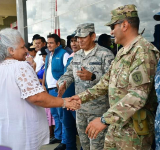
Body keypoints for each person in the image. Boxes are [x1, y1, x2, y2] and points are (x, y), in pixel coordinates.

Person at [71, 4, 160, 150]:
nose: (111, 32)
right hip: (116, 126)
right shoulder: (122, 52)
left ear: (124, 25)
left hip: (133, 133)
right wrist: (81, 97)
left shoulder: (143, 52)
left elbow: (137, 96)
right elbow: (105, 82)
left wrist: (104, 119)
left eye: (113, 27)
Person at [0, 28, 80, 150]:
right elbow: (37, 97)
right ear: (11, 50)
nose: (26, 50)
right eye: (22, 47)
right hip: (21, 133)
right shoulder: (20, 66)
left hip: (6, 133)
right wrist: (65, 102)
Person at [57, 23, 114, 150]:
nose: (79, 41)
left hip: (98, 111)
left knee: (97, 146)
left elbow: (113, 80)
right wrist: (62, 83)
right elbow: (69, 74)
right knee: (84, 145)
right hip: (80, 109)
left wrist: (93, 77)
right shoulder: (77, 55)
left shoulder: (105, 54)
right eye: (77, 38)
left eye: (83, 37)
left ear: (93, 36)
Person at [43, 34, 69, 150]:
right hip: (50, 89)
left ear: (58, 44)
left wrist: (62, 87)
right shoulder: (49, 55)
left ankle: (64, 140)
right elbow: (46, 71)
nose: (49, 45)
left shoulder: (64, 54)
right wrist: (44, 85)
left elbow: (67, 72)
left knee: (62, 116)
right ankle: (58, 136)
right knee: (55, 114)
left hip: (58, 90)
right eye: (48, 43)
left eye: (51, 43)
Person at [57, 30, 81, 150]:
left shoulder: (85, 57)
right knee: (68, 126)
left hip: (78, 100)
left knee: (81, 130)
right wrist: (61, 83)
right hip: (67, 99)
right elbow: (66, 75)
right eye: (71, 41)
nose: (74, 44)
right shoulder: (71, 57)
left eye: (76, 40)